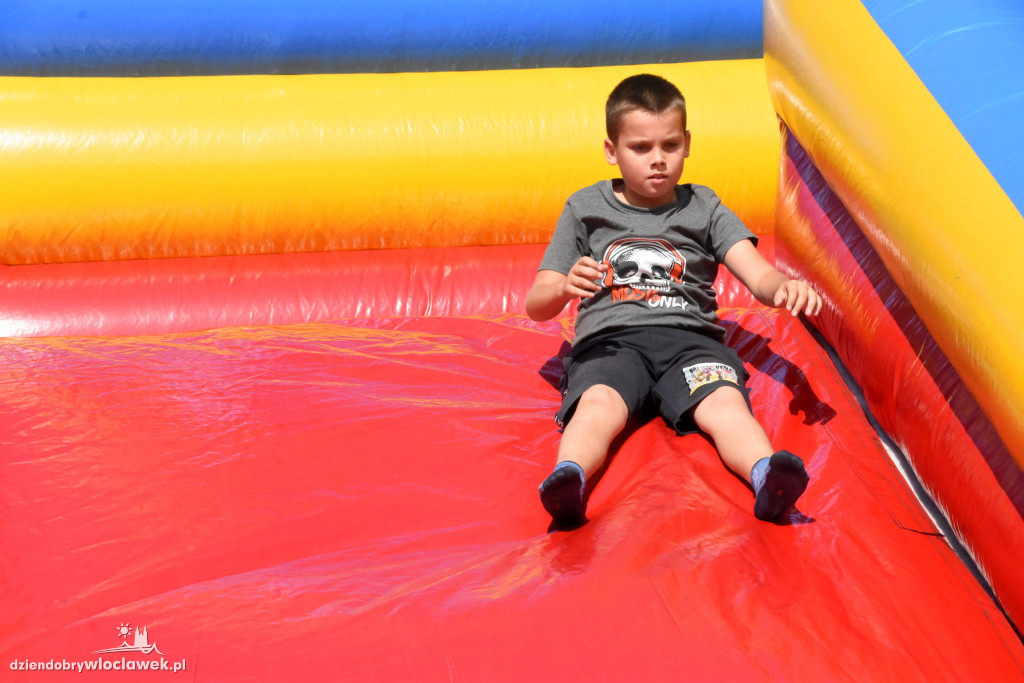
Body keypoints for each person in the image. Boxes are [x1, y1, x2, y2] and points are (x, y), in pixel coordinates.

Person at [526, 74, 821, 530]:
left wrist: (783, 286)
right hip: (612, 342)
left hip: (691, 343)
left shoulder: (704, 207)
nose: (658, 160)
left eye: (670, 145)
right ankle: (571, 477)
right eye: (640, 148)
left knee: (724, 402)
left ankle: (767, 477)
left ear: (687, 143)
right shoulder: (585, 208)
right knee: (599, 403)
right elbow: (536, 303)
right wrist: (564, 285)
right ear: (611, 150)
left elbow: (758, 273)